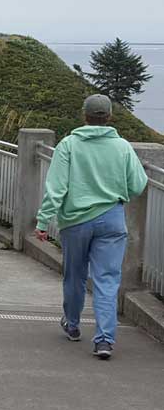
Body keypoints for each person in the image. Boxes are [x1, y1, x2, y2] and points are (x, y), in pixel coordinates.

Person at [35, 94, 148, 360]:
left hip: (75, 222)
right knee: (107, 280)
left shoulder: (69, 145)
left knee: (74, 275)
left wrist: (43, 221)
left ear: (84, 115)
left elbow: (57, 188)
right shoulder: (122, 147)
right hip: (112, 218)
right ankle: (104, 340)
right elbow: (138, 184)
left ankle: (73, 326)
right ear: (109, 117)